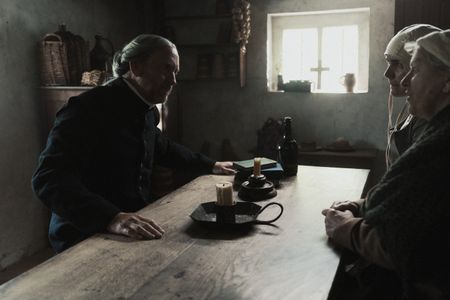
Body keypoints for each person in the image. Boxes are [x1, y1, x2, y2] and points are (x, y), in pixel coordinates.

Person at [32, 34, 235, 253]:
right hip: (84, 233)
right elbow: (48, 178)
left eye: (175, 72)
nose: (173, 81)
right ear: (136, 67)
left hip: (132, 227)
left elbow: (161, 147)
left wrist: (211, 165)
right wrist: (111, 218)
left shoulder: (146, 109)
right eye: (166, 69)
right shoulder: (85, 109)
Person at [322, 30, 450, 299]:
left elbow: (404, 244)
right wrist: (362, 205)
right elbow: (410, 201)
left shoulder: (440, 146)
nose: (403, 80)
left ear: (447, 81)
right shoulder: (435, 128)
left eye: (413, 70)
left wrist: (345, 228)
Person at [384, 24, 441, 168]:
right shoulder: (417, 109)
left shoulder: (430, 118)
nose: (387, 74)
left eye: (399, 65)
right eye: (388, 63)